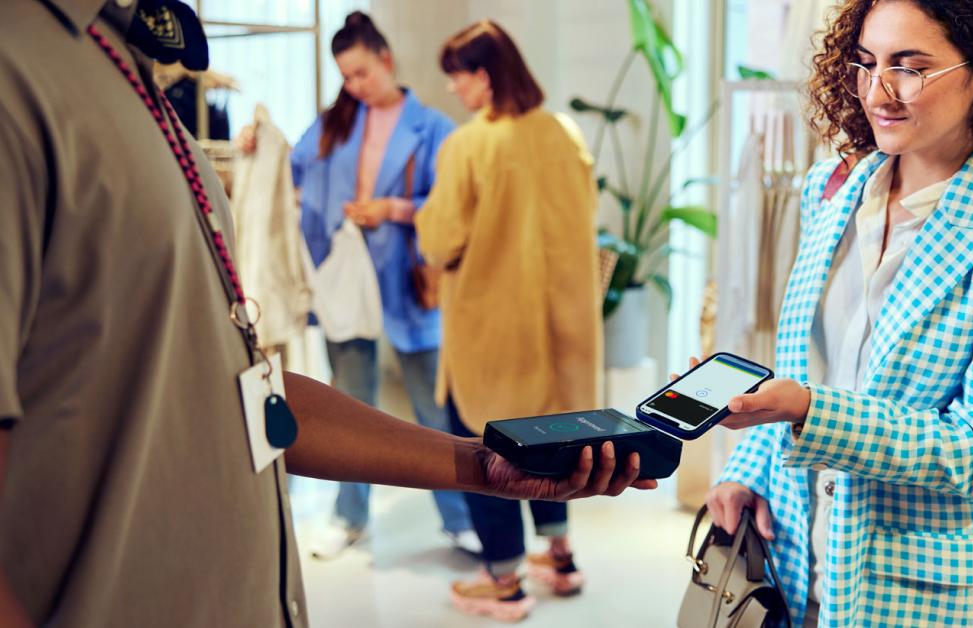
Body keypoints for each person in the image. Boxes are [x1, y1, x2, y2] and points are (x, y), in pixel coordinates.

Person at [0, 2, 654, 627]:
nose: (356, 84)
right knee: (458, 411)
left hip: (451, 311)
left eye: (363, 71)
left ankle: (496, 561)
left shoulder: (119, 62)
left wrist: (479, 462)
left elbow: (247, 393)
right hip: (519, 322)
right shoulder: (37, 71)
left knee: (448, 410)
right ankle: (474, 543)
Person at [701, 1, 973, 626]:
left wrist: (809, 410)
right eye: (866, 63)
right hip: (794, 566)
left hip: (926, 594)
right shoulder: (832, 192)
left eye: (910, 67)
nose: (878, 92)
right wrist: (748, 468)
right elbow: (808, 362)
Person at [415, 20, 603, 622]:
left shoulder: (470, 145)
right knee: (554, 441)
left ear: (486, 77)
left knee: (483, 448)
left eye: (458, 76)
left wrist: (413, 222)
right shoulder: (563, 134)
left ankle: (503, 581)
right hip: (561, 330)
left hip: (492, 329)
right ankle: (560, 555)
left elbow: (440, 239)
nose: (453, 90)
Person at [287, 12, 479, 558]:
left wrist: (393, 208)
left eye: (362, 73)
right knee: (348, 407)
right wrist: (258, 141)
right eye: (346, 77)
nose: (355, 86)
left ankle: (459, 516)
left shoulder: (434, 128)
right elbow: (293, 168)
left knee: (431, 408)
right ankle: (350, 516)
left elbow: (454, 208)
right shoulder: (335, 122)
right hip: (346, 284)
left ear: (386, 59)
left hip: (406, 282)